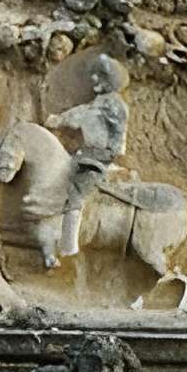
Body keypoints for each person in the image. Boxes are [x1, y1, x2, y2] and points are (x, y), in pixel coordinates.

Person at [51, 55, 129, 261]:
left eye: (99, 76)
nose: (93, 79)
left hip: (99, 158)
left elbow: (82, 116)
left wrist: (59, 120)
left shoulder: (110, 104)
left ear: (108, 79)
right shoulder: (103, 103)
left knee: (75, 194)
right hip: (90, 154)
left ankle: (68, 248)